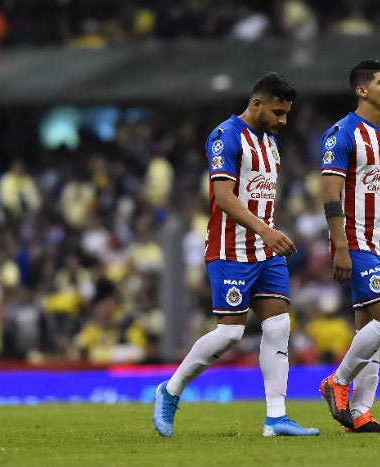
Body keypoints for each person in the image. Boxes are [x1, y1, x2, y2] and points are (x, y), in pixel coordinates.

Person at [153, 72, 319, 438]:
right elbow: (224, 197)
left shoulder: (271, 142)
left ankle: (276, 419)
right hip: (230, 250)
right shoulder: (225, 136)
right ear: (256, 103)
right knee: (230, 333)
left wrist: (267, 234)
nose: (283, 120)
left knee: (278, 326)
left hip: (266, 251)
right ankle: (170, 390)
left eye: (287, 113)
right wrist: (266, 230)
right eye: (278, 112)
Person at [319, 59, 380, 433]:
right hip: (356, 243)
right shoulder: (341, 133)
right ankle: (336, 382)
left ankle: (360, 414)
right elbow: (329, 193)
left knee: (369, 332)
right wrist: (340, 247)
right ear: (362, 90)